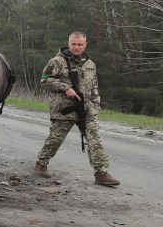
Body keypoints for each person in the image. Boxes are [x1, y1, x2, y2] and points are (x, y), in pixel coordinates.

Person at [35, 31, 119, 186]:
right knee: (55, 139)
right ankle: (41, 163)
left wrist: (94, 106)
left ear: (85, 45)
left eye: (80, 44)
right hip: (64, 108)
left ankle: (101, 172)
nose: (76, 47)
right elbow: (45, 80)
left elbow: (94, 88)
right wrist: (65, 88)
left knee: (94, 139)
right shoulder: (57, 61)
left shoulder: (90, 64)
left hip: (86, 109)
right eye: (73, 44)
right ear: (69, 44)